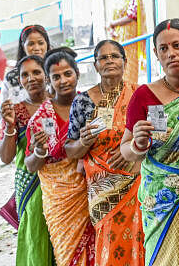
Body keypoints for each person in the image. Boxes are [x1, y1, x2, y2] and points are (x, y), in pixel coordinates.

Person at [120, 19, 179, 266]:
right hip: (161, 200)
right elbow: (125, 149)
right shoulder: (144, 95)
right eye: (163, 49)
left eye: (177, 45)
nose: (170, 54)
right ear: (155, 54)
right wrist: (138, 145)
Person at [64, 40, 144, 266]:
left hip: (136, 182)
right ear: (96, 65)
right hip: (102, 190)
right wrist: (83, 142)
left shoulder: (140, 95)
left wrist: (133, 150)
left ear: (124, 62)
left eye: (115, 56)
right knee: (111, 242)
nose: (109, 61)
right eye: (103, 58)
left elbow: (155, 136)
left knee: (141, 237)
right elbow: (70, 150)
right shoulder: (83, 102)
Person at [25, 48, 95, 266]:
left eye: (68, 74)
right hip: (60, 201)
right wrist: (39, 151)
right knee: (68, 256)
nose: (63, 80)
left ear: (77, 74)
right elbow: (30, 165)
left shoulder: (90, 105)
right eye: (56, 76)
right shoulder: (40, 118)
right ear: (48, 80)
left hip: (92, 190)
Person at [0, 55, 55, 266]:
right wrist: (10, 127)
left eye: (36, 72)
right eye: (25, 75)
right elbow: (5, 157)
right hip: (32, 186)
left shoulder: (61, 102)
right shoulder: (17, 110)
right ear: (20, 80)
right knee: (36, 237)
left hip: (63, 185)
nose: (31, 78)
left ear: (46, 75)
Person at [0, 25, 52, 122]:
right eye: (31, 44)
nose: (37, 48)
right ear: (23, 46)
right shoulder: (12, 78)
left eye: (41, 43)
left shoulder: (56, 70)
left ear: (47, 44)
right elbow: (2, 115)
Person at [108, 0, 146, 84]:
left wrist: (113, 24)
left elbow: (131, 16)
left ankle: (129, 94)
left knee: (129, 66)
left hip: (130, 38)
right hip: (119, 37)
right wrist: (112, 28)